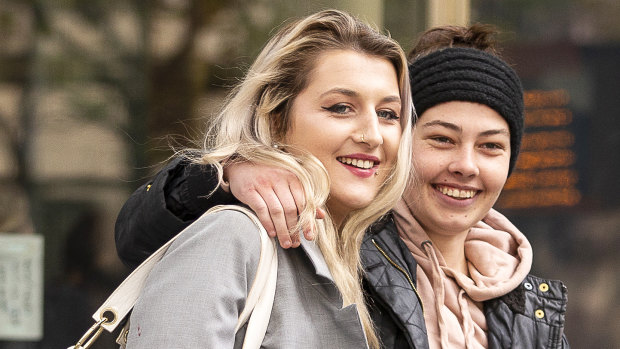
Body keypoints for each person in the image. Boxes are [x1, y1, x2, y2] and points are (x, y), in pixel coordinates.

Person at [115, 24, 570, 348]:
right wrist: (222, 174)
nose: (465, 165)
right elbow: (140, 232)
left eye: (387, 114)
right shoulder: (281, 239)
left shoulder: (530, 301)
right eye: (441, 139)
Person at [122, 9, 414, 349]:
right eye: (341, 107)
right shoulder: (232, 237)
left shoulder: (360, 253)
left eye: (388, 114)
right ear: (276, 119)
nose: (373, 135)